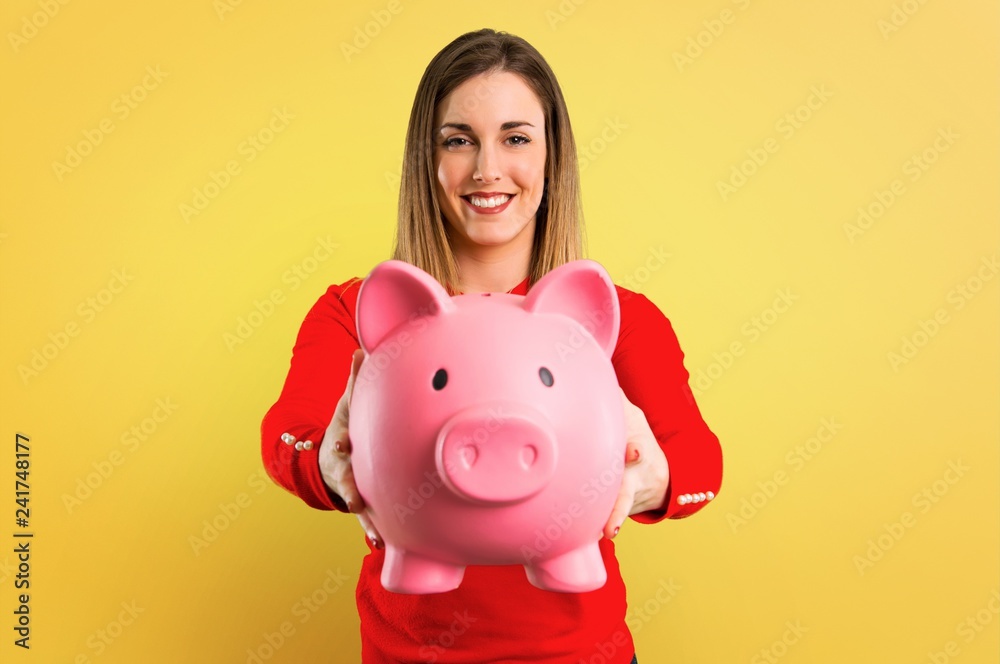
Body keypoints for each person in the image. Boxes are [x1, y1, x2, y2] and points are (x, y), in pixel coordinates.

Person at [261, 28, 722, 664]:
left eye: (515, 138)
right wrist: (328, 461)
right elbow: (287, 433)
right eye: (458, 141)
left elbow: (701, 462)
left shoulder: (614, 319)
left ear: (551, 157)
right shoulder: (359, 314)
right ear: (427, 160)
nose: (487, 169)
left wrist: (654, 476)